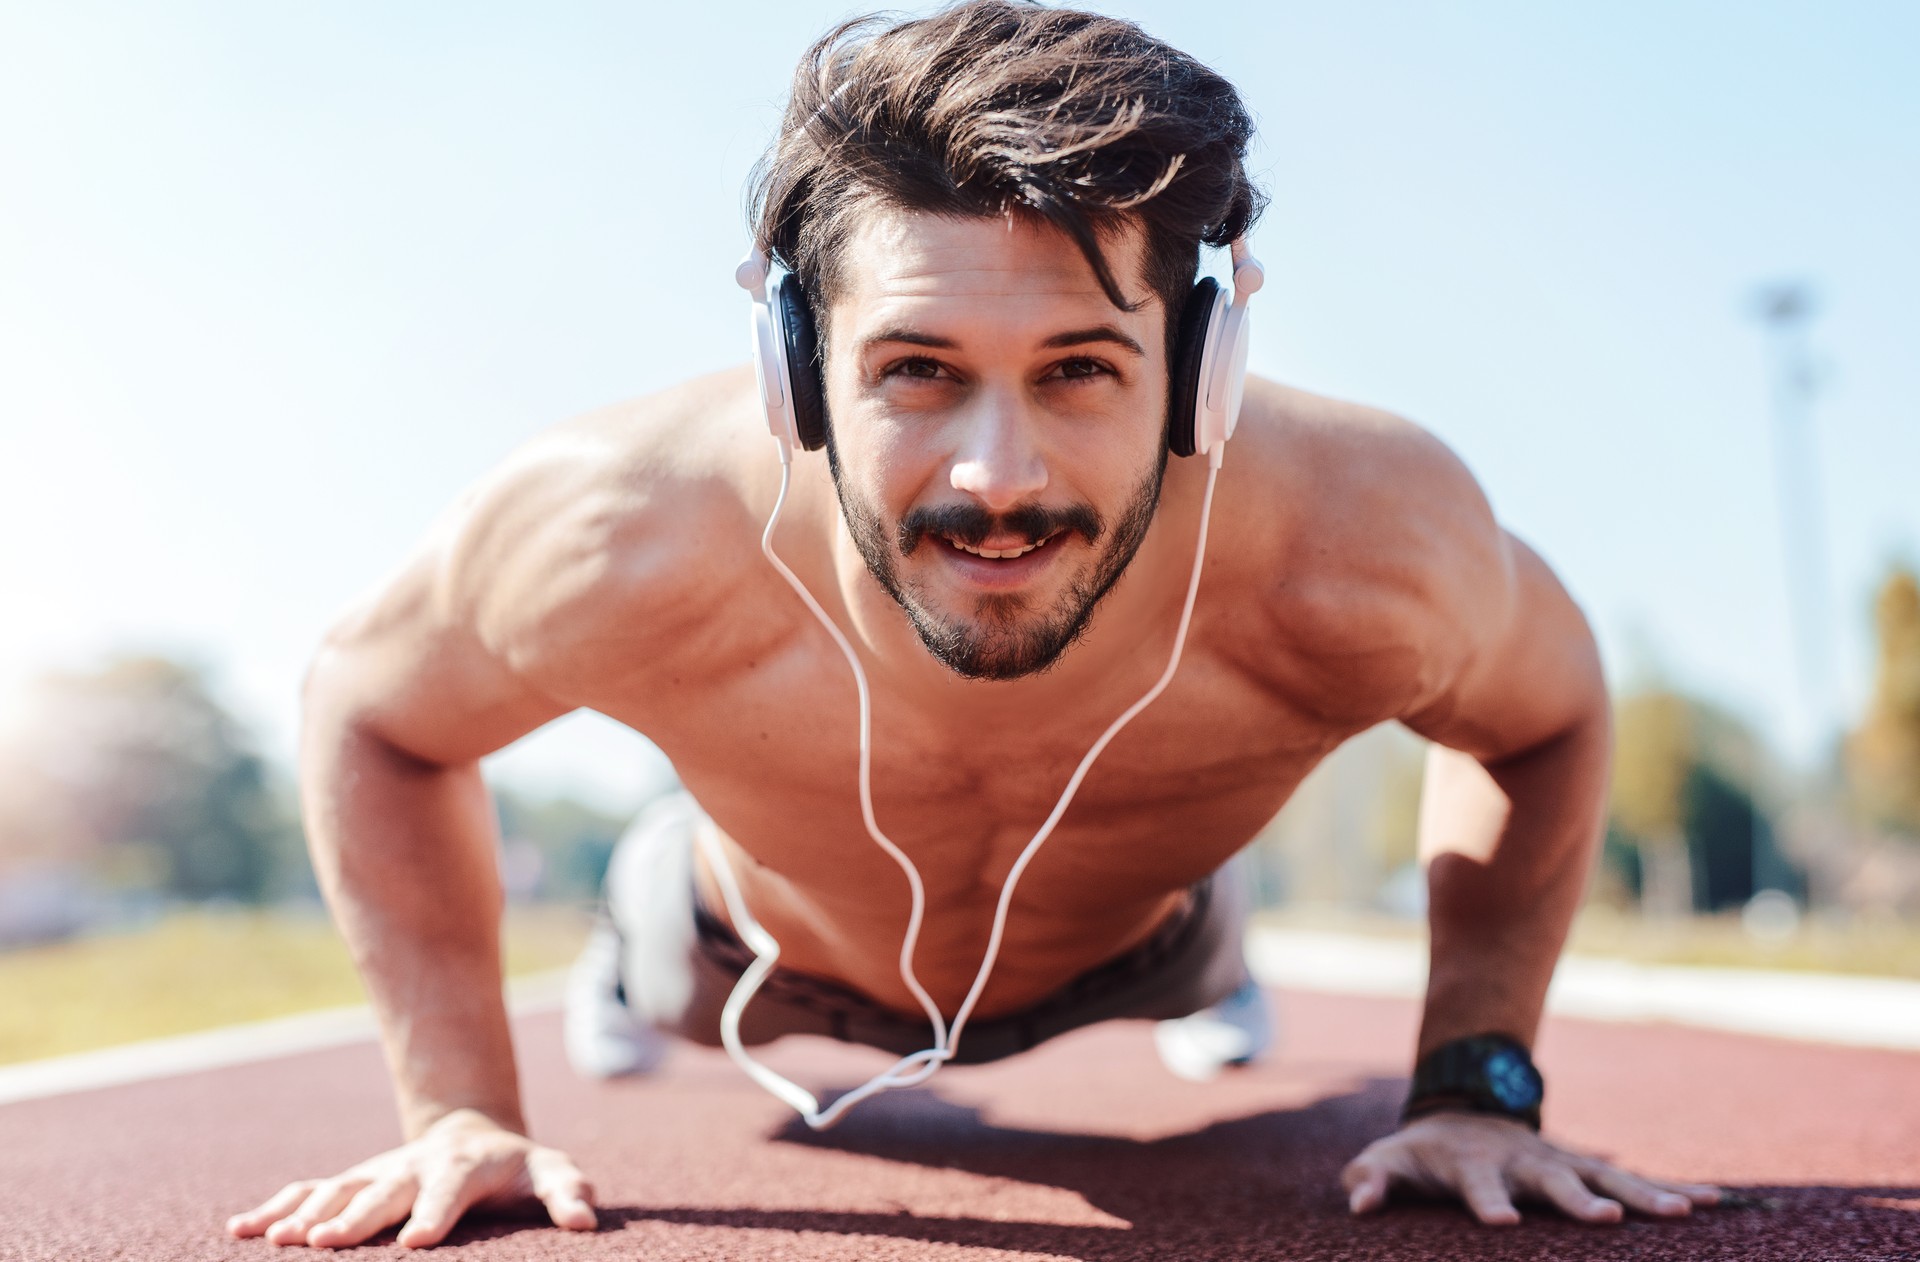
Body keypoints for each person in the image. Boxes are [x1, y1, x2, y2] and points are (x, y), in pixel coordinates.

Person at [228, 1, 1719, 1249]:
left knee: (1208, 937)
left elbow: (1549, 714)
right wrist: (462, 1108)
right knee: (659, 947)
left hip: (1151, 940)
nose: (997, 478)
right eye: (918, 371)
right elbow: (370, 703)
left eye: (1080, 370)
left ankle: (1227, 945)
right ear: (797, 369)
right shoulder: (612, 530)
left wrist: (1475, 1078)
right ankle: (631, 928)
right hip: (741, 949)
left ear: (1202, 365)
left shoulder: (1367, 543)